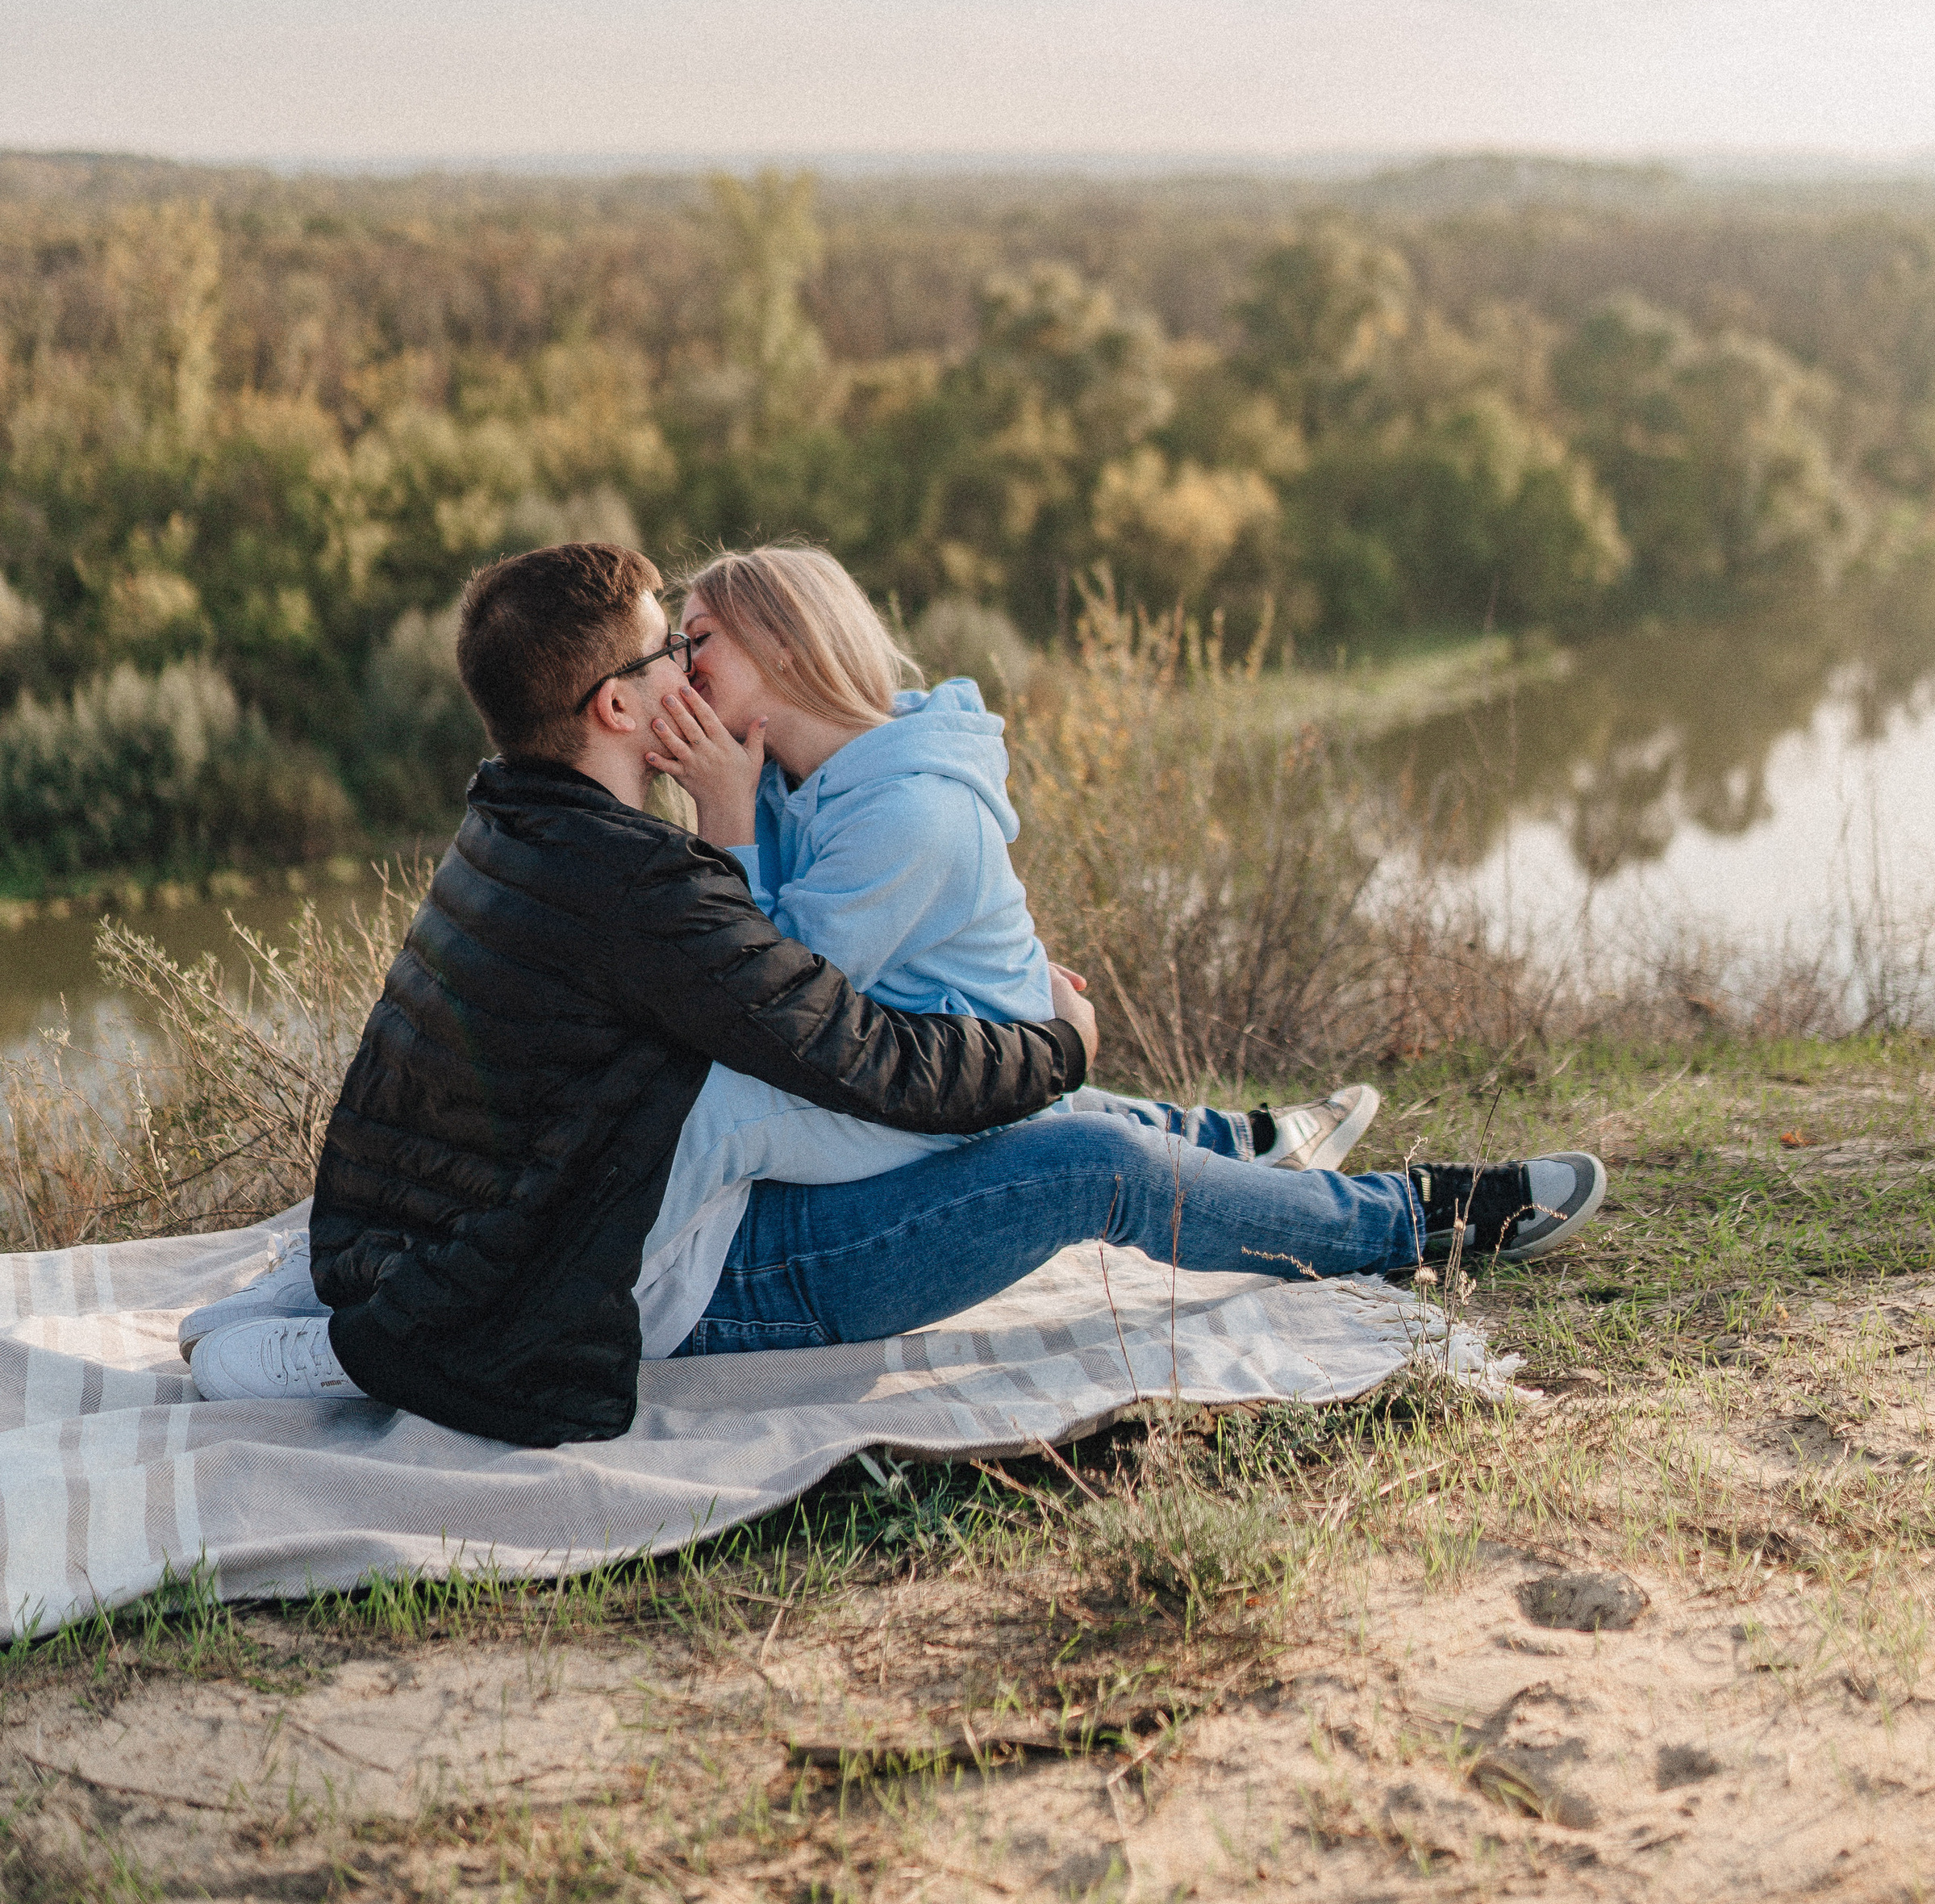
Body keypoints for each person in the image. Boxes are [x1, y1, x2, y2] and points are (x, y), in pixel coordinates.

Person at [185, 541, 1604, 1443]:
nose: (685, 666)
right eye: (669, 649)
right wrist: (1056, 1043)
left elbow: (797, 1018)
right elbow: (841, 1042)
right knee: (1074, 1152)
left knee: (1039, 1133)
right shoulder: (652, 865)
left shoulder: (525, 824)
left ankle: (1289, 1168)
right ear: (616, 706)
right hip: (662, 1272)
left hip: (670, 1209)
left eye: (699, 645)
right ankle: (1409, 1215)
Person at [628, 542, 1385, 1359]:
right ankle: (1252, 1145)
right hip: (912, 1055)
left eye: (699, 638)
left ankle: (1367, 1207)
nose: (682, 664)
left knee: (729, 1110)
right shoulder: (788, 780)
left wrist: (725, 817)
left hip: (958, 1086)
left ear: (784, 642)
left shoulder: (907, 810)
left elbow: (773, 1005)